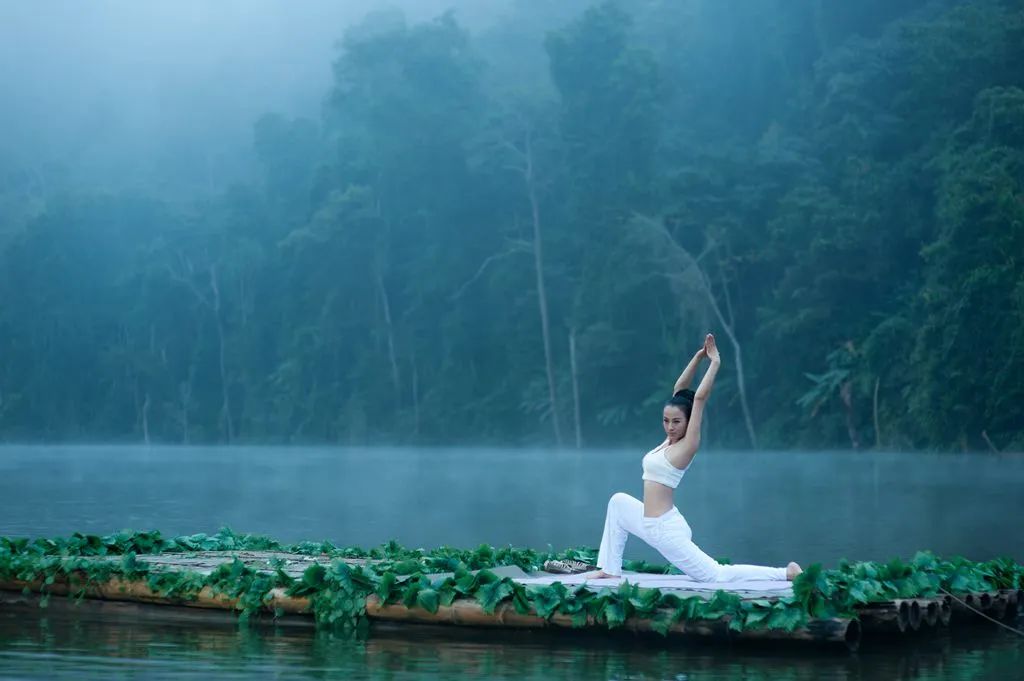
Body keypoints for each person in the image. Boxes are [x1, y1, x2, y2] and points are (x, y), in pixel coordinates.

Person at [585, 334, 802, 583]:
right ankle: (609, 569)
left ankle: (786, 573)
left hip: (665, 532)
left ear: (688, 422)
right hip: (652, 521)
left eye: (676, 421)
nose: (670, 426)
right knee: (618, 502)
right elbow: (680, 389)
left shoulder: (687, 445)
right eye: (666, 421)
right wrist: (698, 357)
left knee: (717, 575)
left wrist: (715, 363)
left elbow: (698, 398)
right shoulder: (669, 441)